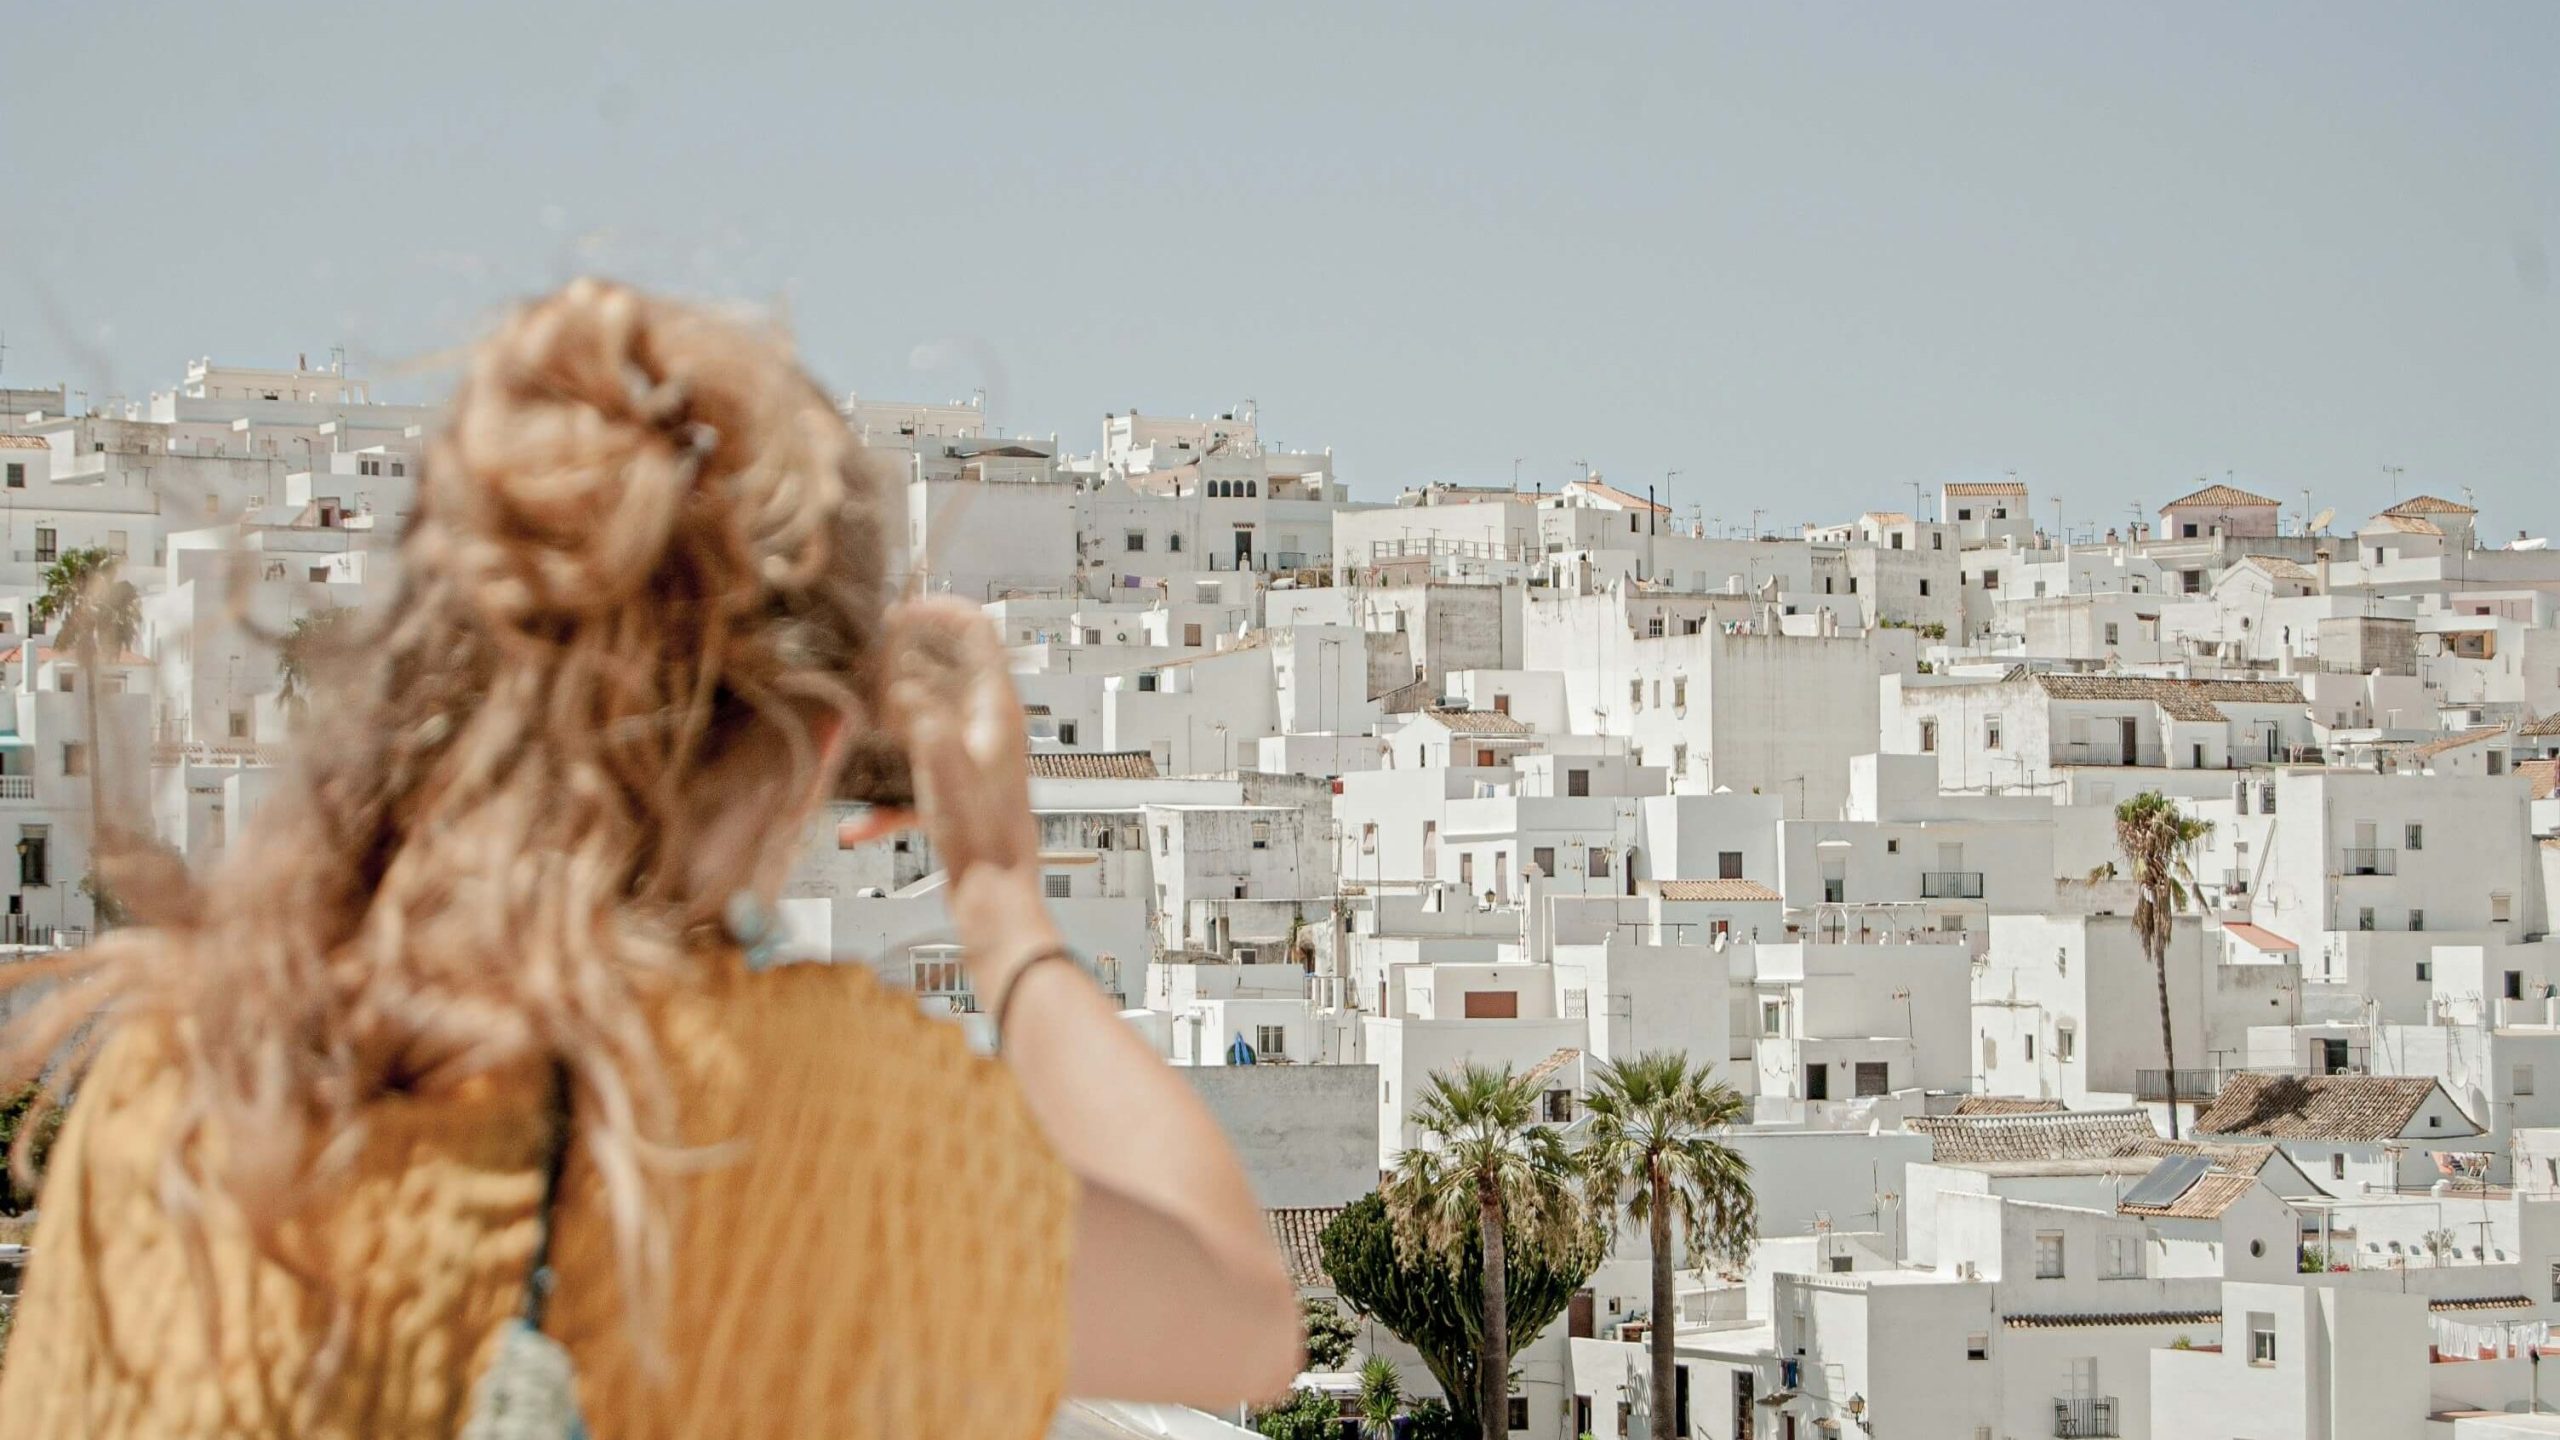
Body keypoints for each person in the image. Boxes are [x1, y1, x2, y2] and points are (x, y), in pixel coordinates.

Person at [0, 279, 1302, 1437]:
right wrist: (1003, 899)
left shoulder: (166, 1093)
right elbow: (1238, 1322)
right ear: (818, 744)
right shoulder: (815, 1113)